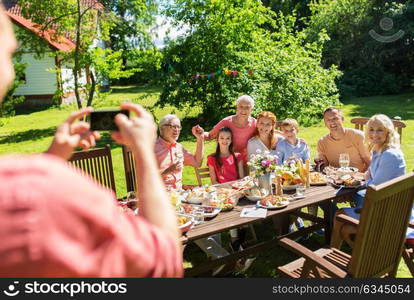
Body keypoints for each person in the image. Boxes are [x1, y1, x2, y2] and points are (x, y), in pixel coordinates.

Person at [0, 6, 182, 277]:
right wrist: (143, 151)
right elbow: (163, 262)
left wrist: (50, 159)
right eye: (10, 53)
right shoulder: (34, 194)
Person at [331, 114, 407, 248]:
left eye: (379, 130)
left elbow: (374, 188)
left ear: (388, 132)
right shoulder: (379, 151)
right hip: (387, 204)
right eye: (371, 130)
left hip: (385, 212)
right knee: (344, 220)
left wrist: (351, 188)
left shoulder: (389, 155)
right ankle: (362, 251)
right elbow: (368, 176)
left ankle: (340, 253)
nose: (374, 134)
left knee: (339, 216)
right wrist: (350, 177)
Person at [194, 95, 257, 168]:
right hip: (227, 163)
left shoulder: (255, 124)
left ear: (251, 109)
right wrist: (200, 133)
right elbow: (210, 136)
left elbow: (268, 133)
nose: (243, 110)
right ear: (237, 107)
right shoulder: (226, 122)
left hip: (247, 163)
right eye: (241, 106)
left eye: (247, 107)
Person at [154, 114, 204, 190]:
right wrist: (168, 171)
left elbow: (197, 162)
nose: (177, 130)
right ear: (162, 128)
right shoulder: (152, 148)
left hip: (178, 193)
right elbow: (145, 178)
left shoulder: (179, 147)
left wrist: (200, 139)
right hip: (159, 195)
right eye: (173, 126)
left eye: (178, 127)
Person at [318, 107, 371, 172]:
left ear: (342, 119)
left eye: (335, 118)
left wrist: (362, 177)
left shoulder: (358, 136)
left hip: (358, 179)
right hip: (335, 180)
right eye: (328, 120)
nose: (331, 122)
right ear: (325, 123)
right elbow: (323, 167)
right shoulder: (322, 142)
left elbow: (370, 163)